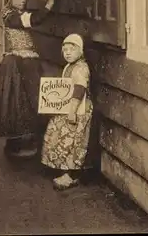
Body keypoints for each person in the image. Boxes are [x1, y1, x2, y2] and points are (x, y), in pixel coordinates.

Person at [0, 0, 56, 158]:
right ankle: (15, 145)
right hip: (17, 64)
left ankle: (25, 141)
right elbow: (34, 20)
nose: (22, 0)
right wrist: (49, 3)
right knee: (16, 102)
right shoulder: (9, 16)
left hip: (28, 62)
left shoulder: (18, 14)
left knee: (28, 101)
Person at [41, 33, 94, 190]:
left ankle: (72, 174)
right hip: (68, 107)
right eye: (65, 50)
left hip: (78, 109)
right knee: (58, 132)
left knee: (74, 140)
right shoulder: (69, 66)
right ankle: (62, 166)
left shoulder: (81, 68)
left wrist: (72, 111)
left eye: (72, 49)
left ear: (81, 51)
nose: (68, 53)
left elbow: (79, 90)